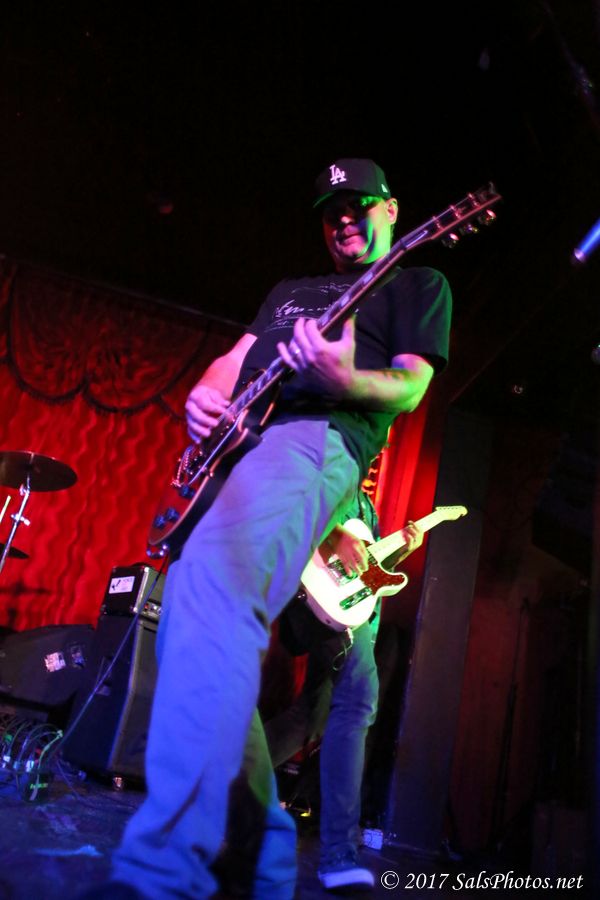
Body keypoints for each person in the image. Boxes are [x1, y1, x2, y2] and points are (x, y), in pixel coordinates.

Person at [91, 157, 452, 899]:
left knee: (213, 595)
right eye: (330, 209)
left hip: (318, 437)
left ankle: (175, 859)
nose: (343, 217)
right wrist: (204, 394)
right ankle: (258, 851)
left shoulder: (416, 283)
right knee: (193, 614)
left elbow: (411, 384)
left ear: (391, 208)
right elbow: (234, 360)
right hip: (242, 450)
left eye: (357, 203)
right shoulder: (290, 292)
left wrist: (343, 378)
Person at [263, 491, 424, 892]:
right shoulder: (333, 466)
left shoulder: (366, 505)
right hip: (321, 604)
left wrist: (401, 550)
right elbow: (292, 502)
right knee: (358, 701)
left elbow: (367, 574)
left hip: (348, 609)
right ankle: (339, 853)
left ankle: (219, 778)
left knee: (312, 715)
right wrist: (335, 535)